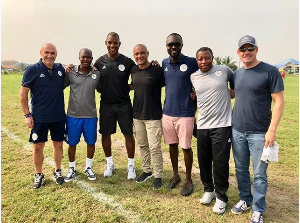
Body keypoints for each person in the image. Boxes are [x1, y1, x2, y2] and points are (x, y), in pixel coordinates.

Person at [231, 35, 284, 223]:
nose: (247, 52)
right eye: (243, 49)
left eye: (250, 48)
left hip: (260, 133)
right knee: (241, 169)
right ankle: (245, 199)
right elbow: (233, 94)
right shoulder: (236, 74)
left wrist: (272, 130)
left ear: (256, 50)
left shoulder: (270, 72)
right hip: (237, 130)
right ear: (238, 53)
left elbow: (279, 101)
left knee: (260, 173)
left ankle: (258, 209)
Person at [190, 47, 234, 214]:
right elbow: (195, 97)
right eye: (200, 59)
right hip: (202, 126)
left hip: (222, 125)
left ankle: (222, 197)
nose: (203, 62)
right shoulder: (193, 76)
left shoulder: (224, 70)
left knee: (221, 163)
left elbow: (237, 89)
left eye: (206, 58)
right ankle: (209, 190)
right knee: (204, 160)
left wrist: (227, 94)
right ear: (197, 60)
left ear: (212, 58)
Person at [19, 43, 65, 189]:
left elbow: (76, 68)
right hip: (39, 117)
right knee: (38, 147)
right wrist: (27, 115)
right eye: (47, 52)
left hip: (58, 116)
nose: (49, 55)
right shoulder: (32, 70)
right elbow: (23, 94)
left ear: (56, 54)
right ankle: (38, 174)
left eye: (53, 53)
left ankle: (57, 170)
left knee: (58, 144)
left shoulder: (60, 69)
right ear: (41, 53)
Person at [93, 32, 136, 180]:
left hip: (124, 105)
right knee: (106, 134)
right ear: (106, 43)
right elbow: (93, 79)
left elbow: (139, 75)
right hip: (106, 105)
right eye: (110, 43)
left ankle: (131, 165)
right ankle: (109, 163)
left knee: (128, 134)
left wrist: (127, 88)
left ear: (119, 44)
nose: (112, 45)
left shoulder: (127, 62)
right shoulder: (99, 62)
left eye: (115, 43)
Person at [162, 33, 198, 196]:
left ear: (182, 45)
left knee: (186, 147)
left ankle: (188, 179)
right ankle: (175, 175)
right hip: (168, 112)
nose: (173, 47)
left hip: (185, 113)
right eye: (170, 45)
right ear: (167, 46)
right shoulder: (164, 63)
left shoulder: (191, 62)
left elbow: (203, 76)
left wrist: (195, 95)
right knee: (172, 145)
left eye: (177, 44)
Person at [130, 44, 165, 190]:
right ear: (134, 56)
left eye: (142, 53)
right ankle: (147, 171)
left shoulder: (157, 70)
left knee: (155, 147)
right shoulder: (133, 70)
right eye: (137, 54)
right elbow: (133, 86)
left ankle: (158, 175)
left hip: (153, 116)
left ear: (148, 53)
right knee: (143, 145)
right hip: (137, 115)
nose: (139, 56)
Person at [64, 48, 101, 182]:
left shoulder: (97, 74)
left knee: (91, 142)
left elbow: (102, 88)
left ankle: (88, 167)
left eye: (88, 57)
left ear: (92, 58)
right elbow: (59, 86)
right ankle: (71, 168)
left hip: (90, 116)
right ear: (79, 58)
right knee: (72, 143)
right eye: (83, 57)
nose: (85, 59)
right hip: (73, 116)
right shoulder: (71, 73)